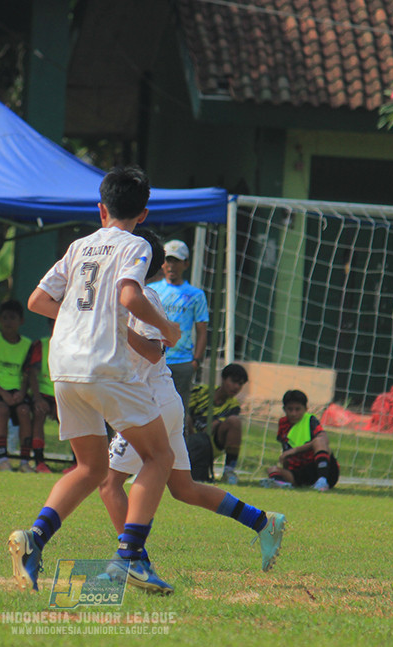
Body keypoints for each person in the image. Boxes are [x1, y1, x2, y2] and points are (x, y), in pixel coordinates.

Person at [9, 165, 182, 595]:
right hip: (105, 365)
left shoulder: (79, 245)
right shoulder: (137, 245)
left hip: (63, 365)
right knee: (158, 457)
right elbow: (129, 295)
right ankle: (128, 559)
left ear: (100, 208)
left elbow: (37, 300)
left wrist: (78, 318)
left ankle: (33, 540)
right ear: (143, 214)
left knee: (90, 468)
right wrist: (168, 329)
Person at [99, 228, 285, 572]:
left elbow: (155, 353)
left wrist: (118, 328)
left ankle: (134, 560)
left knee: (109, 483)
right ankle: (263, 522)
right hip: (160, 401)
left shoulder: (145, 298)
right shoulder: (124, 293)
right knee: (183, 488)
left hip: (149, 404)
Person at [149, 238, 208, 414]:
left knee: (178, 413)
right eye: (168, 260)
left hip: (182, 362)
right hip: (154, 359)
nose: (171, 265)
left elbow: (202, 330)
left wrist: (195, 361)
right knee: (150, 410)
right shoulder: (152, 290)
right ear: (162, 264)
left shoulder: (196, 295)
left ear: (186, 264)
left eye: (177, 261)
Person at [0, 299, 33, 472]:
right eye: (5, 318)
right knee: (1, 410)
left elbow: (27, 374)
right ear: (0, 320)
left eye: (13, 318)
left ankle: (24, 461)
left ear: (21, 321)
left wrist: (22, 392)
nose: (8, 322)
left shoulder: (27, 344)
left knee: (24, 412)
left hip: (16, 391)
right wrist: (4, 394)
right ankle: (3, 458)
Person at [263, 389, 340, 491]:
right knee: (272, 470)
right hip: (301, 471)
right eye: (290, 409)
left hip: (320, 468)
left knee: (319, 441)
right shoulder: (283, 424)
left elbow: (324, 439)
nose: (293, 413)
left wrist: (294, 450)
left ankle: (322, 481)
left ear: (305, 409)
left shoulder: (310, 420)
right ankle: (281, 483)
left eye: (297, 409)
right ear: (284, 409)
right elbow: (286, 451)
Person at [188, 363, 249, 485]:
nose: (236, 387)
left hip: (210, 443)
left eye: (240, 384)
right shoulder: (200, 392)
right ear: (223, 379)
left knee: (234, 422)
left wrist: (214, 425)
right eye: (233, 381)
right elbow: (186, 414)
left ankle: (229, 471)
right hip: (188, 438)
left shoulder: (234, 406)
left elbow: (213, 427)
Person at [25, 330, 54, 473]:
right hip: (43, 393)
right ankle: (39, 461)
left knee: (74, 418)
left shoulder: (76, 342)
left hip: (64, 394)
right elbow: (32, 374)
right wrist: (37, 398)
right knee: (39, 413)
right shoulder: (41, 345)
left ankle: (78, 463)